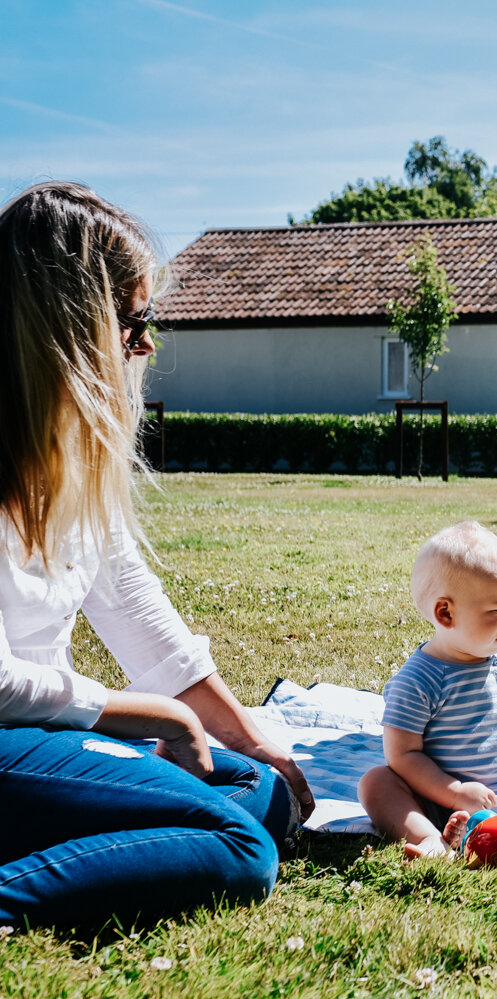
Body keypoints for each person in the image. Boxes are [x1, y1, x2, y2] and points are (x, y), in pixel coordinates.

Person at [0, 181, 315, 931]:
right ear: (65, 327)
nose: (146, 345)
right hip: (14, 740)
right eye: (133, 320)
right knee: (241, 844)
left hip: (38, 740)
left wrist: (251, 736)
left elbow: (138, 614)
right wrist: (155, 713)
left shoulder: (71, 461)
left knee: (257, 788)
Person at [358, 522, 497, 860]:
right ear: (445, 613)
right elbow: (402, 756)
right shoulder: (418, 681)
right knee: (376, 783)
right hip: (441, 800)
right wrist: (454, 792)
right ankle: (431, 839)